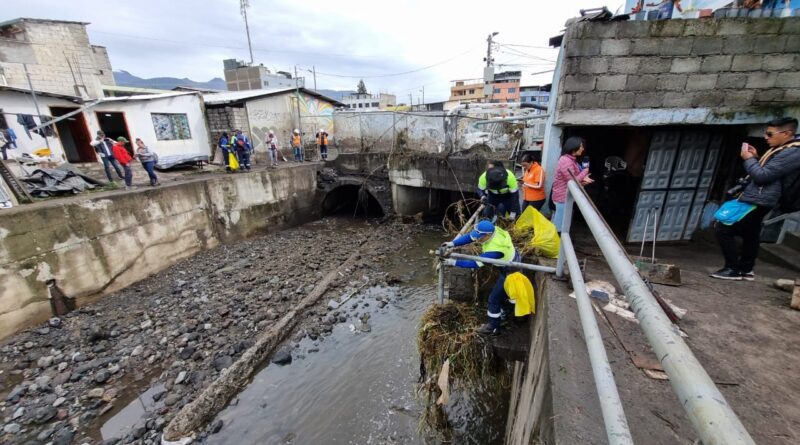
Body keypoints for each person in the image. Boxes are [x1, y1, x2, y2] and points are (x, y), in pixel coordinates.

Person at [712, 117, 800, 281]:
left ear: (787, 133)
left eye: (769, 134)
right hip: (760, 197)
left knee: (724, 228)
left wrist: (749, 159)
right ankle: (746, 269)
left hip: (760, 199)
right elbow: (771, 172)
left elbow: (762, 176)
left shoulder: (793, 151)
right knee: (750, 233)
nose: (766, 137)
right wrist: (757, 158)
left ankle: (732, 268)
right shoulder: (783, 148)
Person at [441, 220, 519, 336]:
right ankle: (507, 313)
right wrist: (452, 243)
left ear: (487, 235)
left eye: (480, 237)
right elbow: (470, 237)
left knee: (493, 299)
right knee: (505, 295)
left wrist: (453, 262)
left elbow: (475, 263)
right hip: (510, 261)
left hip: (511, 271)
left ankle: (493, 327)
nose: (477, 239)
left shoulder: (496, 250)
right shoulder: (491, 230)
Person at [551, 137, 594, 233]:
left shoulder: (571, 160)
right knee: (559, 226)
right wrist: (585, 171)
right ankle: (557, 245)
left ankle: (560, 242)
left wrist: (583, 181)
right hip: (562, 198)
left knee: (563, 223)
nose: (583, 149)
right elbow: (572, 180)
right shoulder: (566, 161)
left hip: (565, 196)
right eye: (581, 147)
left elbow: (572, 179)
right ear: (573, 147)